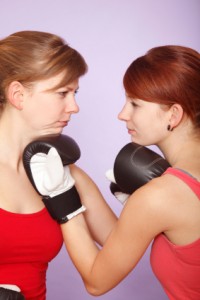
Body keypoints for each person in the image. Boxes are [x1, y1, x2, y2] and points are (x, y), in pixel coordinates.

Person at [29, 45, 199, 299]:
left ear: (173, 114)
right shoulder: (172, 190)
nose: (122, 114)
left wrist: (62, 200)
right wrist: (73, 176)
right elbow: (119, 244)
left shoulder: (163, 195)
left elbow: (97, 282)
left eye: (135, 104)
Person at [0, 30, 117, 299]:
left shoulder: (64, 174)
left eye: (75, 93)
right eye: (62, 93)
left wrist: (143, 201)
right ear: (18, 94)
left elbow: (118, 250)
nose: (74, 107)